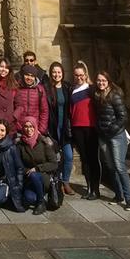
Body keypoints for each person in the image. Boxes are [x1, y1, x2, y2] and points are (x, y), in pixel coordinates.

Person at [94, 71, 130, 209]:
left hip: (116, 135)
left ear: (108, 81)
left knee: (119, 166)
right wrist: (100, 128)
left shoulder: (114, 96)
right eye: (98, 80)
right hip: (103, 135)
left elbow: (123, 117)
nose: (101, 83)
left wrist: (112, 128)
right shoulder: (98, 95)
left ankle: (128, 199)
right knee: (110, 166)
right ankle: (118, 194)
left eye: (103, 80)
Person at [70, 61, 100, 200]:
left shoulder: (92, 89)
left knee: (93, 158)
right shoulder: (71, 89)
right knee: (84, 159)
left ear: (85, 75)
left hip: (91, 127)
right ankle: (89, 187)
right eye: (76, 75)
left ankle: (96, 189)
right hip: (77, 127)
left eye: (81, 75)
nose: (79, 77)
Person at [18, 116, 59, 215]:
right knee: (29, 198)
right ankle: (40, 196)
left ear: (35, 127)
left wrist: (37, 168)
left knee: (34, 175)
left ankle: (41, 203)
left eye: (31, 126)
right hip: (29, 178)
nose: (29, 129)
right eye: (26, 127)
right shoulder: (20, 145)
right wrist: (27, 171)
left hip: (44, 177)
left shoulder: (44, 143)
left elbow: (54, 164)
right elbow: (19, 165)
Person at [46, 62, 74, 196]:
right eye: (54, 72)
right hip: (53, 127)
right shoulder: (47, 88)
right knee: (55, 157)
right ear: (51, 73)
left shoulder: (67, 87)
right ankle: (57, 183)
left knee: (68, 156)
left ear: (62, 73)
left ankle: (66, 181)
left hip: (65, 128)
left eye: (59, 72)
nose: (57, 75)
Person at [13, 64, 49, 134]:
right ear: (22, 75)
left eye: (32, 76)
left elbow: (44, 111)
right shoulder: (16, 88)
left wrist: (40, 129)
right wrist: (17, 126)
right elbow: (12, 109)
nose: (29, 78)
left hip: (35, 129)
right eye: (27, 75)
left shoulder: (40, 89)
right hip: (19, 129)